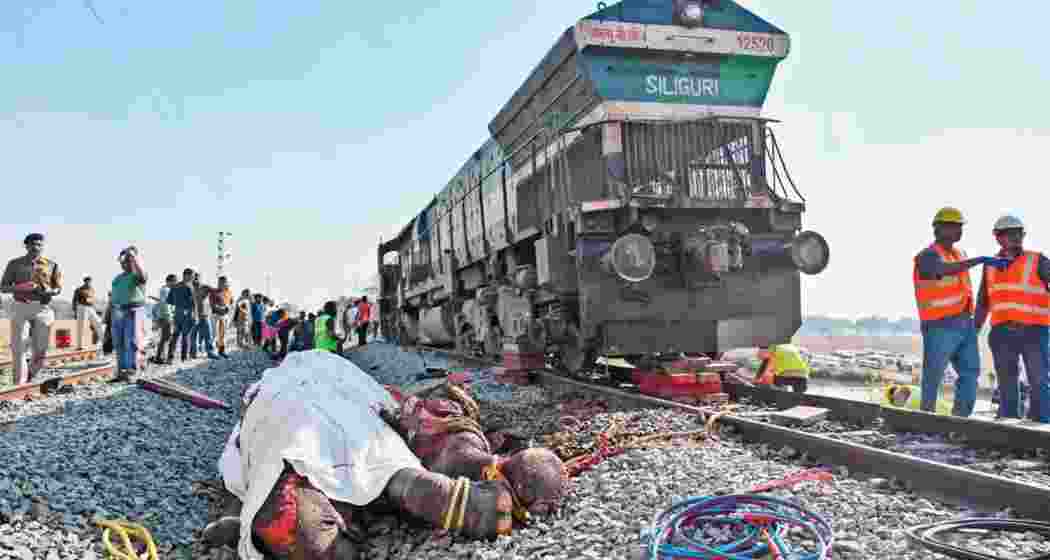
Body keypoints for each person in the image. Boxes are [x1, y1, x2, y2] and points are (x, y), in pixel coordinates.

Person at [205, 352, 565, 559]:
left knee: (289, 462)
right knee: (384, 458)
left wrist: (239, 512)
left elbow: (236, 463)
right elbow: (399, 412)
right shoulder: (330, 366)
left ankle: (331, 519)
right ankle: (441, 482)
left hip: (283, 414)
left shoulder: (268, 386)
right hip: (349, 402)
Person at [913, 207, 1010, 416]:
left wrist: (974, 323)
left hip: (965, 323)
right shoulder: (927, 256)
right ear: (938, 229)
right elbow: (941, 270)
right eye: (953, 226)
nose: (958, 230)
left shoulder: (959, 253)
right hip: (940, 325)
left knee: (970, 373)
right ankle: (926, 419)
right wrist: (981, 260)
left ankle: (960, 420)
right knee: (934, 375)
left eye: (960, 227)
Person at [976, 215, 1050, 423]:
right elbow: (983, 301)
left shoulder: (1038, 260)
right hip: (1001, 333)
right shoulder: (989, 265)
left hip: (1034, 331)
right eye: (1011, 234)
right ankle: (1008, 424)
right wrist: (972, 333)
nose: (1016, 237)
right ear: (998, 237)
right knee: (1007, 382)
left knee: (1039, 380)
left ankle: (1042, 424)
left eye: (1019, 233)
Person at [0, 233, 62, 385]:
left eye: (39, 244)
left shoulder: (51, 265)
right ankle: (19, 384)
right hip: (20, 307)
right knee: (19, 347)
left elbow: (58, 288)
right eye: (33, 244)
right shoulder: (14, 264)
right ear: (26, 246)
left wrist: (50, 291)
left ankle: (30, 375)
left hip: (43, 309)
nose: (36, 247)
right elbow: (3, 287)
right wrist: (21, 287)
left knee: (41, 350)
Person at [110, 246, 148, 381]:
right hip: (118, 312)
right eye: (122, 260)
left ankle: (132, 371)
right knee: (119, 343)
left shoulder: (137, 276)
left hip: (133, 311)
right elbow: (113, 298)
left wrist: (134, 258)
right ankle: (121, 371)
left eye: (127, 259)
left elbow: (143, 277)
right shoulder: (117, 278)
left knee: (131, 343)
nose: (124, 263)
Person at [166, 269, 197, 362]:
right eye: (192, 276)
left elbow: (169, 302)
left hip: (176, 313)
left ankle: (170, 358)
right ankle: (184, 358)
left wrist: (172, 314)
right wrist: (194, 315)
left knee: (175, 336)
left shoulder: (174, 287)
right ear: (186, 275)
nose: (193, 278)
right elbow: (193, 303)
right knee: (185, 336)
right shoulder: (189, 287)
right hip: (186, 313)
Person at [193, 274, 222, 360]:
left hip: (204, 315)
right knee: (192, 335)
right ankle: (193, 353)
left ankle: (210, 352)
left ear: (200, 279)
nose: (196, 280)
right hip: (193, 316)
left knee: (208, 335)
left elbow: (216, 291)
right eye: (194, 278)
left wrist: (220, 285)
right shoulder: (189, 288)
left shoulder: (205, 287)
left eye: (197, 278)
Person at [151, 274, 177, 365]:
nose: (176, 283)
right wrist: (170, 317)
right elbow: (165, 305)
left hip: (163, 317)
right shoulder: (166, 290)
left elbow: (161, 304)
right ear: (170, 281)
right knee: (166, 338)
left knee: (164, 338)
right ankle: (159, 357)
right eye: (175, 281)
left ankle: (159, 356)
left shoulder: (164, 290)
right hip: (166, 317)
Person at [72, 276, 103, 351]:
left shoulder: (92, 290)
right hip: (82, 307)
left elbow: (93, 300)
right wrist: (75, 311)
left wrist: (96, 308)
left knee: (98, 323)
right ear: (85, 281)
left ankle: (104, 341)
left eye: (90, 281)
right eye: (87, 281)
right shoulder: (79, 290)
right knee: (81, 326)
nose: (89, 282)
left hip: (91, 308)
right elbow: (74, 300)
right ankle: (80, 346)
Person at [211, 276, 233, 358]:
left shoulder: (229, 292)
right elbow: (212, 305)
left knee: (223, 334)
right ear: (218, 283)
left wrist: (228, 308)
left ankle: (222, 351)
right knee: (214, 334)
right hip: (216, 315)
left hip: (225, 316)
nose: (222, 284)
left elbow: (231, 303)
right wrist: (221, 309)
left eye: (224, 282)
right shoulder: (214, 292)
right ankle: (213, 351)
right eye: (220, 282)